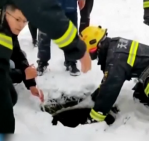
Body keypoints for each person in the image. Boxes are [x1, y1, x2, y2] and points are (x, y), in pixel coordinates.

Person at [0, 0, 91, 133]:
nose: (21, 25)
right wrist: (22, 75)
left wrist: (30, 81)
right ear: (4, 12)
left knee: (10, 93)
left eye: (24, 21)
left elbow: (16, 51)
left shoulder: (5, 26)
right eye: (18, 19)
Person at [37, 0, 85, 76]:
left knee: (71, 32)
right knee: (44, 32)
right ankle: (43, 61)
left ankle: (71, 61)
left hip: (69, 4)